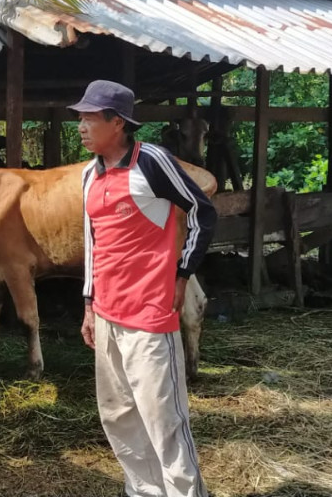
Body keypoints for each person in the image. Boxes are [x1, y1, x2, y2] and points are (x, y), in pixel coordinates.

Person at [68, 80, 217, 497]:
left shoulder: (150, 161)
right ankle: (144, 491)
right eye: (79, 117)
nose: (80, 126)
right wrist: (88, 305)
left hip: (150, 314)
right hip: (108, 314)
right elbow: (93, 242)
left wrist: (182, 274)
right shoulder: (89, 175)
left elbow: (202, 213)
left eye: (89, 118)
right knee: (117, 415)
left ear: (117, 123)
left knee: (164, 420)